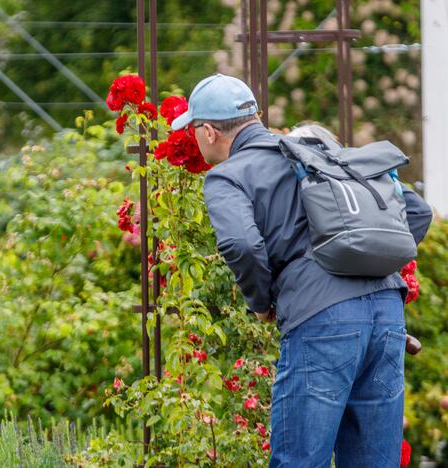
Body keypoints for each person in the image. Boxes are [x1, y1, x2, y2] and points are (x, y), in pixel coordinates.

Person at [170, 73, 434, 466]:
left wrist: (262, 301)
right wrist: (372, 262)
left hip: (322, 321)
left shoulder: (228, 175)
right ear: (255, 116)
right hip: (387, 312)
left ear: (208, 131)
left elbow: (239, 243)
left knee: (298, 460)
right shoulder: (316, 149)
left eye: (193, 129)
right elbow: (416, 210)